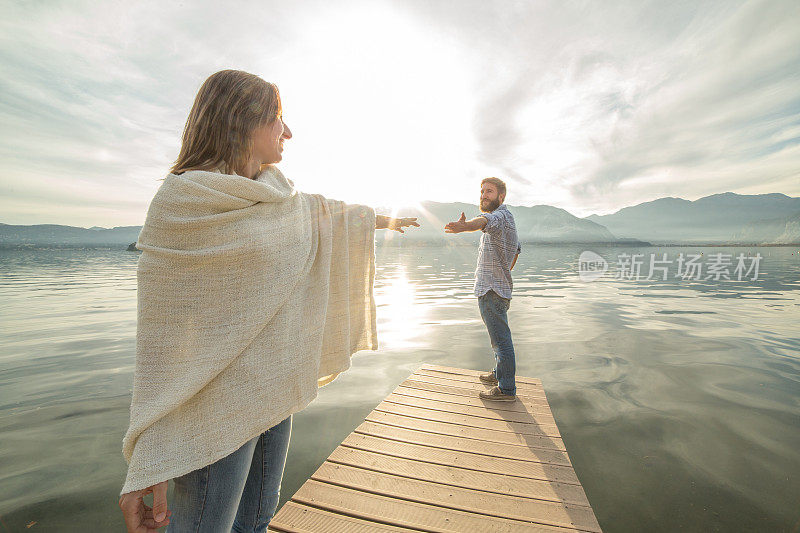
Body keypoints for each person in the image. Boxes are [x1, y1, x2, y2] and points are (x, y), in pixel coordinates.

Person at [118, 69, 418, 533]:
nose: (289, 132)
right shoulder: (183, 203)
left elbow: (332, 215)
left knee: (256, 521)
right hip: (211, 415)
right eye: (280, 119)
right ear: (242, 121)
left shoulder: (282, 198)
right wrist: (150, 457)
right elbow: (161, 344)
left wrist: (385, 221)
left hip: (273, 392)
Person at [444, 177, 521, 401]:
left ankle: (506, 390)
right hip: (498, 287)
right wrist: (504, 272)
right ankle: (499, 373)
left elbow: (484, 221)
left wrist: (465, 226)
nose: (483, 195)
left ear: (501, 196)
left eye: (489, 191)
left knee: (501, 340)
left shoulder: (498, 217)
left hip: (491, 290)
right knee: (497, 338)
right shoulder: (509, 219)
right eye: (482, 191)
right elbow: (516, 250)